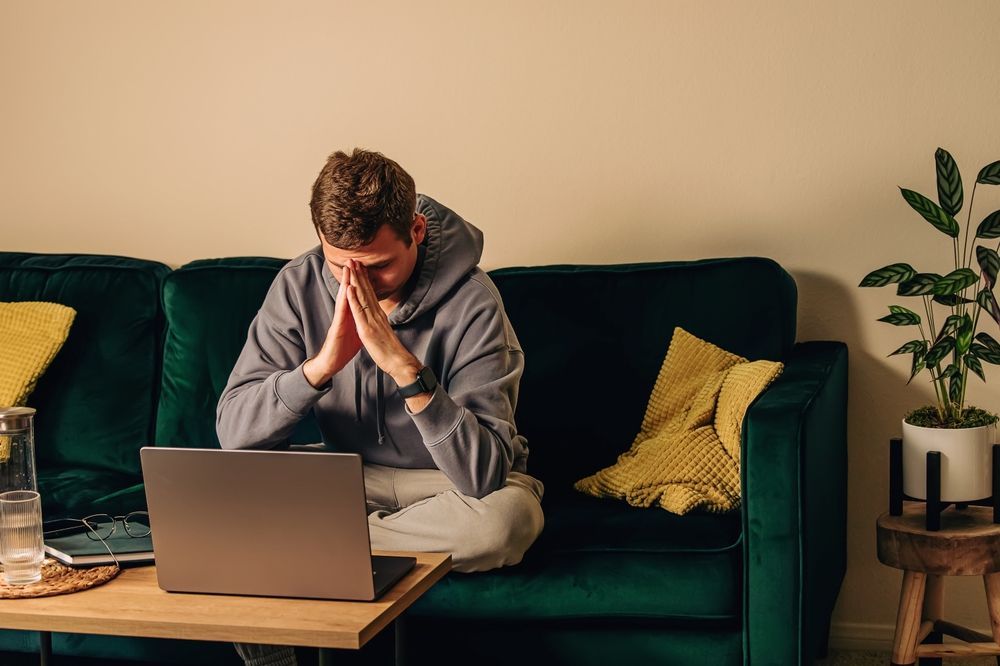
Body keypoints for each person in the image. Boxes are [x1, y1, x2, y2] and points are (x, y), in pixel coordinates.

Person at [216, 148, 545, 666]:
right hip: (345, 477)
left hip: (447, 485)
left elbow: (482, 474)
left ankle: (301, 550)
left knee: (506, 521)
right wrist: (320, 368)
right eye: (338, 266)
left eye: (377, 267)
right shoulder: (297, 284)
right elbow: (234, 433)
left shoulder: (475, 300)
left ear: (416, 230)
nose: (357, 286)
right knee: (222, 495)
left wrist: (406, 371)